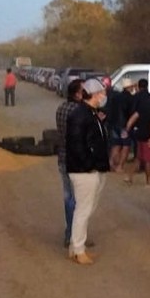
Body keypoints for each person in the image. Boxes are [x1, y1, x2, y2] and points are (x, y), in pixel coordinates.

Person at [65, 78, 111, 265]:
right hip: (84, 170)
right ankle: (78, 249)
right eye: (102, 93)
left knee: (86, 209)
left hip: (93, 168)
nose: (104, 96)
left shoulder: (91, 113)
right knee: (83, 210)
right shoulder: (80, 115)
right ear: (95, 94)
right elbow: (77, 145)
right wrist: (89, 164)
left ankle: (75, 247)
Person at [56, 79, 89, 249]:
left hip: (64, 158)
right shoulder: (81, 111)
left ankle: (70, 233)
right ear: (77, 94)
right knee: (81, 201)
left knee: (69, 197)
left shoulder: (61, 108)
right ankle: (77, 236)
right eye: (83, 90)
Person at [125, 78, 150, 186]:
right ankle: (149, 181)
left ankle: (129, 176)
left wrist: (128, 127)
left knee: (138, 158)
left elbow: (134, 116)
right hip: (148, 135)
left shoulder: (144, 103)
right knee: (148, 160)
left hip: (139, 134)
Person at [106, 79, 137, 173]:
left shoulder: (115, 97)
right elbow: (131, 113)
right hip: (125, 126)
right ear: (129, 87)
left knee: (116, 144)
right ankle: (120, 166)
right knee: (125, 146)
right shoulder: (131, 99)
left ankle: (110, 163)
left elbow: (109, 110)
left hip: (114, 125)